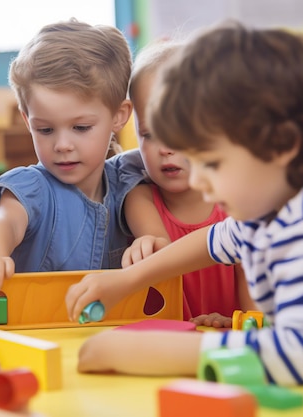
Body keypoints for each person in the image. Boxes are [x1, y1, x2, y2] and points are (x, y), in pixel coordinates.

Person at [65, 21, 303, 392]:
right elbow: (214, 241)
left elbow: (300, 355)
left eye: (212, 162)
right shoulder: (272, 207)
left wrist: (161, 350)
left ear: (281, 144)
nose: (199, 181)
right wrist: (125, 281)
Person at [0, 19, 144, 300]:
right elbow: (6, 222)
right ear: (27, 120)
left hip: (108, 332)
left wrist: (149, 242)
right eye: (45, 130)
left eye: (80, 128)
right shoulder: (31, 187)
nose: (62, 145)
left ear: (119, 115)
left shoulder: (127, 181)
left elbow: (155, 236)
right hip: (36, 331)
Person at [123, 39, 254, 327]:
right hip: (166, 345)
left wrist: (235, 322)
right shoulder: (139, 198)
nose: (165, 149)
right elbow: (161, 250)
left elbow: (256, 317)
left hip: (230, 347)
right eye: (148, 134)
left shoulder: (236, 204)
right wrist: (144, 246)